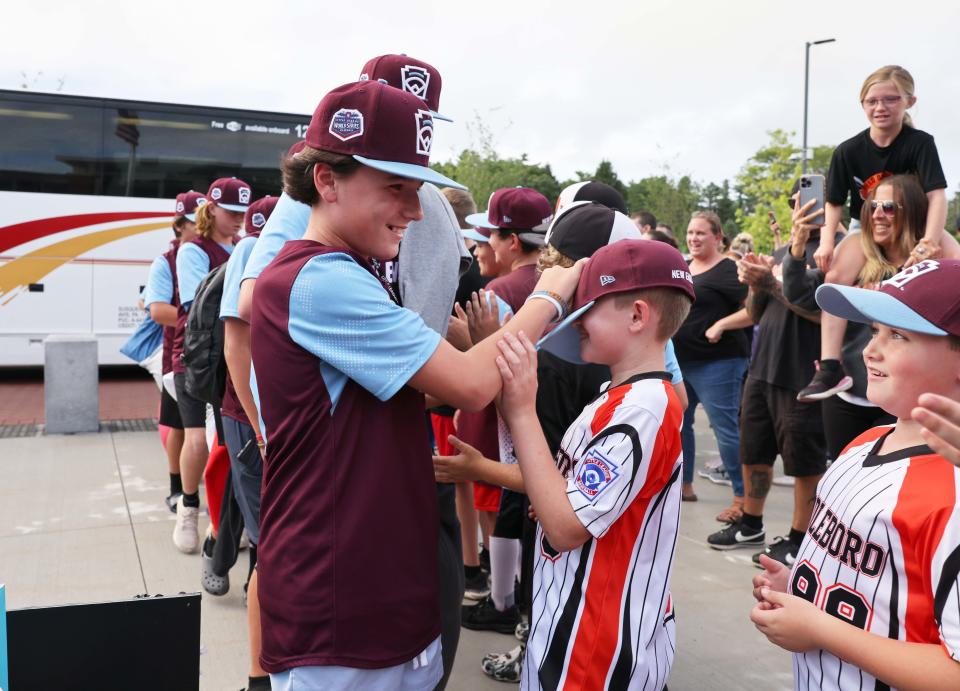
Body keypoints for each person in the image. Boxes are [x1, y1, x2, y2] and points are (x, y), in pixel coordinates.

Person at [248, 80, 583, 690]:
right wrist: (549, 297)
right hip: (339, 605)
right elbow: (474, 387)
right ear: (327, 180)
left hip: (380, 588)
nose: (416, 208)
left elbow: (410, 395)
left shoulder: (351, 272)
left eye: (418, 187)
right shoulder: (319, 279)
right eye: (394, 187)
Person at [493, 238, 693, 691]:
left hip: (592, 645)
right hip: (572, 621)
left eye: (587, 313)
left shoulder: (643, 408)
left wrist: (522, 409)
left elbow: (564, 526)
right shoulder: (618, 396)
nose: (576, 326)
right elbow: (566, 499)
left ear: (638, 316)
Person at [751, 259, 960, 691]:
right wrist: (803, 589)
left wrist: (820, 629)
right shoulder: (863, 442)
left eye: (898, 335)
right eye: (875, 330)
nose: (869, 350)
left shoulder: (952, 493)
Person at [706, 186, 840, 566]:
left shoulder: (840, 250)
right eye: (798, 201)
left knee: (804, 461)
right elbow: (757, 312)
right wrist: (754, 283)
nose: (804, 207)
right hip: (762, 369)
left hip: (803, 373)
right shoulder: (785, 252)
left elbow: (825, 313)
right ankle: (751, 522)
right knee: (754, 450)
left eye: (813, 200)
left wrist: (773, 285)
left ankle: (801, 537)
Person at [783, 175, 960, 460]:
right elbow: (800, 294)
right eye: (872, 205)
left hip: (908, 402)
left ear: (913, 212)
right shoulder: (850, 261)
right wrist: (797, 246)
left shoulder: (934, 271)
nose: (878, 214)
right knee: (844, 476)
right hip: (849, 394)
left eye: (889, 206)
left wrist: (935, 239)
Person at [799, 65, 948, 402]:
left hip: (915, 224)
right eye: (872, 101)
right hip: (867, 226)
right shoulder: (848, 150)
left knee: (954, 264)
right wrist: (825, 244)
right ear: (862, 105)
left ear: (910, 101)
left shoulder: (920, 143)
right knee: (834, 275)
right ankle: (830, 367)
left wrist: (929, 240)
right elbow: (834, 202)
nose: (881, 107)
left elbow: (936, 195)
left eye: (891, 99)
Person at [458, 186, 553, 636]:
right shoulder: (559, 281)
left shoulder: (500, 289)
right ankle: (515, 599)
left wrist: (466, 340)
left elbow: (485, 366)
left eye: (492, 235)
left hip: (505, 421)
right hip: (552, 421)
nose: (486, 244)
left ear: (513, 241)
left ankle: (505, 602)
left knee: (502, 508)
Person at [218, 193, 278, 691]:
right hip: (252, 420)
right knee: (268, 547)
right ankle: (260, 677)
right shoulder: (251, 251)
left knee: (274, 544)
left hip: (274, 421)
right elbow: (236, 340)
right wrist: (259, 426)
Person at [171, 177, 249, 553]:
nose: (237, 219)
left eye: (242, 213)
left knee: (228, 447)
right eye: (231, 212)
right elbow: (197, 305)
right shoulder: (193, 250)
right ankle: (188, 506)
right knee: (198, 440)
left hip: (228, 356)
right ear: (212, 208)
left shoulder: (240, 248)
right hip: (196, 356)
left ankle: (227, 521)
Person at [673, 211, 750, 520]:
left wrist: (721, 324)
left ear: (718, 237)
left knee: (725, 430)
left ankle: (743, 498)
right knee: (680, 427)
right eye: (691, 232)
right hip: (682, 362)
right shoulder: (685, 267)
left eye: (701, 233)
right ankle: (684, 486)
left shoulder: (729, 270)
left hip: (719, 363)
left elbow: (754, 310)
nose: (694, 238)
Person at [144, 190, 205, 512]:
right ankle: (176, 488)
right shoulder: (166, 262)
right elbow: (156, 311)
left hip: (208, 354)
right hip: (179, 355)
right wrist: (200, 317)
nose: (201, 227)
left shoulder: (212, 251)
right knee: (179, 425)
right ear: (180, 224)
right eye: (196, 222)